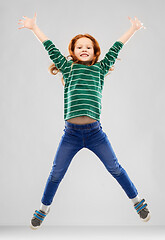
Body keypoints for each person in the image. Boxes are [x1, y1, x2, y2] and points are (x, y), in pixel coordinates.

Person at [18, 13, 150, 229]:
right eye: (80, 47)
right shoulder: (68, 68)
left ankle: (137, 202)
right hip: (71, 134)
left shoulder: (100, 69)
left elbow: (116, 47)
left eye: (88, 46)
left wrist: (133, 29)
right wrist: (34, 28)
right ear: (73, 52)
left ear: (95, 52)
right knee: (56, 173)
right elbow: (49, 47)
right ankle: (44, 207)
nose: (84, 49)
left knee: (115, 168)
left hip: (95, 133)